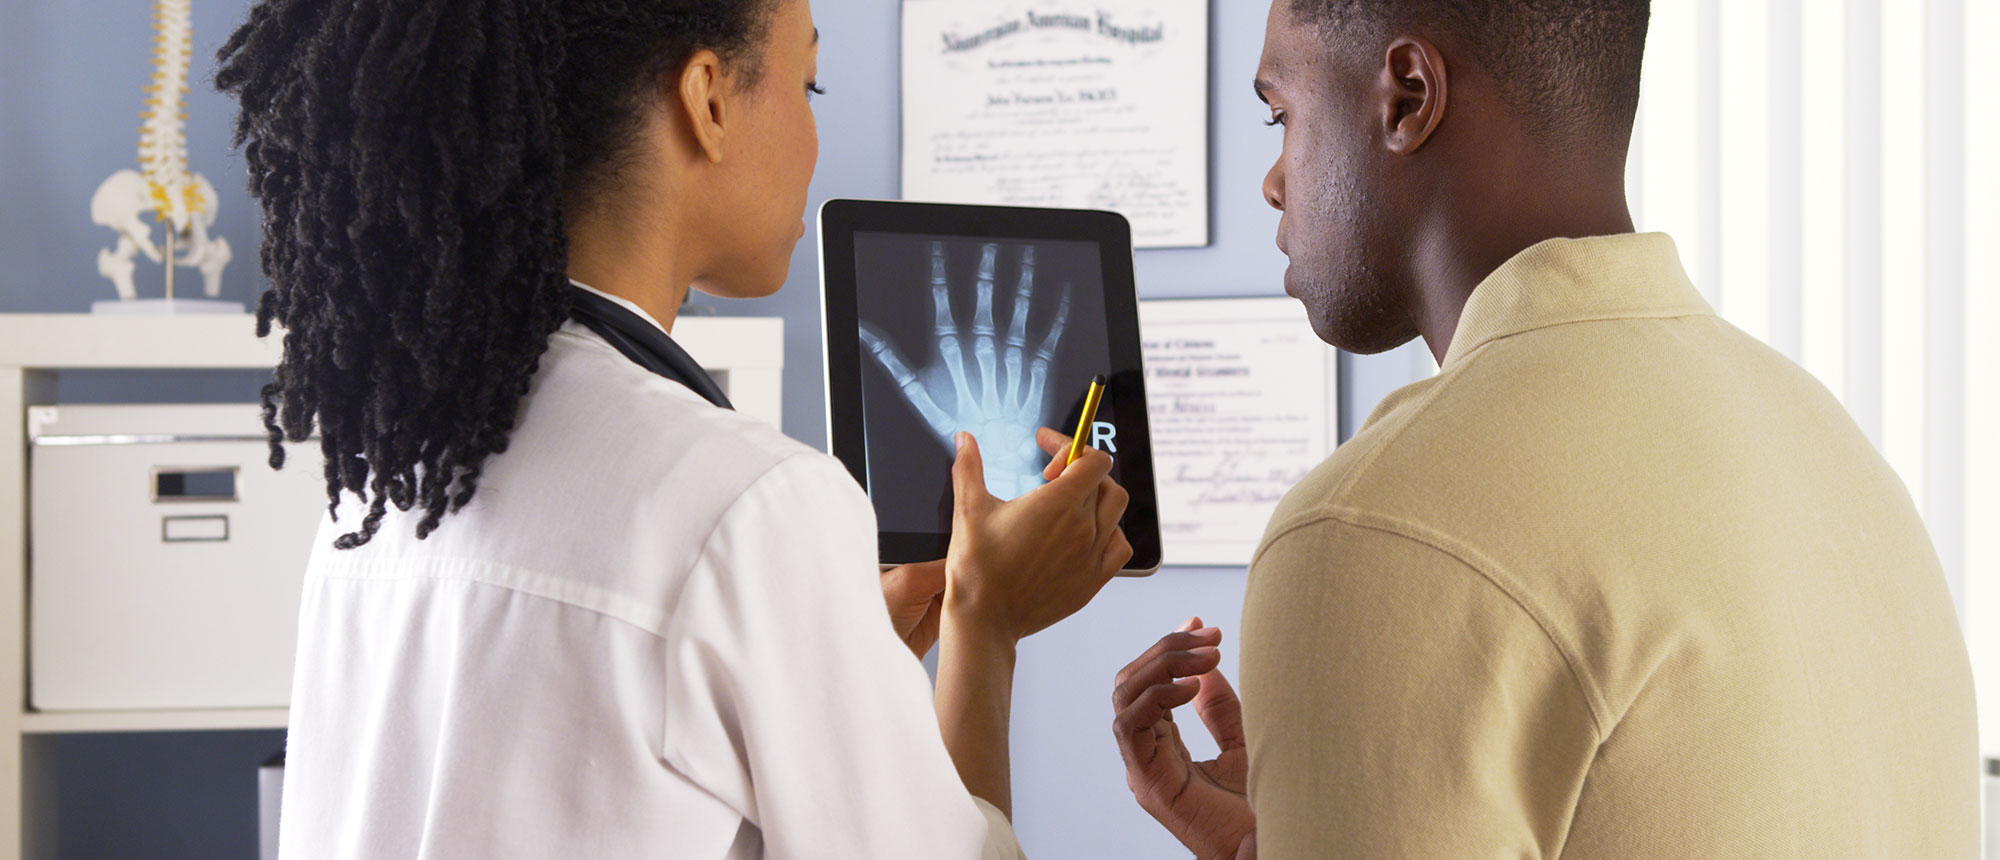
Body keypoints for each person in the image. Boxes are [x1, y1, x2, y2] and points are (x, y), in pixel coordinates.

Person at [216, 1, 1132, 857]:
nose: (816, 138)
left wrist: (825, 684)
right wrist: (987, 624)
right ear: (707, 102)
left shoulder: (381, 486)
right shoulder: (750, 504)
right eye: (807, 86)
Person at [1111, 1, 1979, 858]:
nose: (1273, 179)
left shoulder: (1374, 527)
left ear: (1407, 98)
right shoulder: (1829, 448)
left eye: (1282, 114)